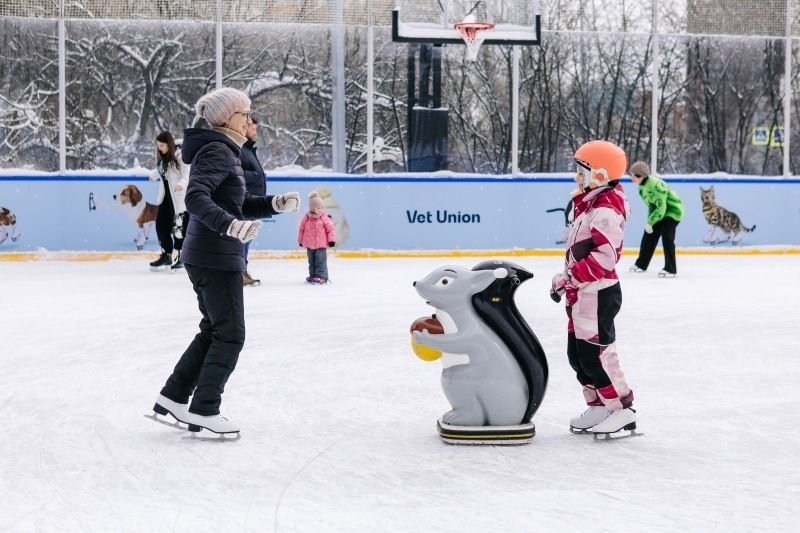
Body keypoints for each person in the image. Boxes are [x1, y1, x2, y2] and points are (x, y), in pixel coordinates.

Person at [150, 88, 300, 437]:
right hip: (214, 256)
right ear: (227, 118)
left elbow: (239, 201)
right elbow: (195, 197)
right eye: (245, 113)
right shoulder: (218, 149)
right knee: (231, 334)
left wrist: (274, 203)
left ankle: (174, 396)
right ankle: (204, 408)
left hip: (209, 254)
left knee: (214, 330)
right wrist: (230, 226)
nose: (250, 120)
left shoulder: (227, 151)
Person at [550, 140, 637, 438]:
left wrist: (571, 278)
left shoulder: (605, 209)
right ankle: (599, 404)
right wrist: (566, 278)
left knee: (597, 356)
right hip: (583, 293)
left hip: (599, 293)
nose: (576, 177)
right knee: (577, 356)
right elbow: (581, 252)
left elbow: (605, 256)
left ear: (599, 175)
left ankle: (621, 410)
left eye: (581, 172)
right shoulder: (590, 204)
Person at [627, 161, 685, 278]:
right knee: (649, 235)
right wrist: (650, 222)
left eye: (635, 175)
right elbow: (651, 206)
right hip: (661, 212)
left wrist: (650, 222)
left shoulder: (654, 185)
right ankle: (641, 264)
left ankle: (670, 268)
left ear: (641, 176)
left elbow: (661, 207)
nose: (632, 178)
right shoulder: (641, 188)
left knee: (667, 235)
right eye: (631, 175)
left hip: (673, 211)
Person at [148, 131, 190, 271]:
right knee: (161, 225)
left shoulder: (180, 157)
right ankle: (166, 254)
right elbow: (161, 171)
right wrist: (153, 175)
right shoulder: (164, 159)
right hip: (165, 198)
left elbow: (187, 173)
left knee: (179, 228)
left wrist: (182, 184)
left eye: (162, 145)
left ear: (169, 144)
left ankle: (182, 256)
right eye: (158, 145)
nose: (160, 148)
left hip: (178, 198)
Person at [239, 116, 269, 287]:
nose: (255, 132)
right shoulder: (240, 149)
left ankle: (242, 269)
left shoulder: (249, 149)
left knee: (247, 238)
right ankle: (239, 271)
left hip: (253, 201)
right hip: (246, 202)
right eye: (253, 129)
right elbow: (236, 173)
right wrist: (256, 176)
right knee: (243, 238)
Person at [298, 191, 336, 284]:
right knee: (311, 262)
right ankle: (313, 276)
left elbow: (330, 229)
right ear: (312, 208)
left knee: (320, 261)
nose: (320, 210)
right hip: (309, 245)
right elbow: (302, 229)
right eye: (317, 208)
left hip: (321, 244)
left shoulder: (324, 217)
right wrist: (300, 240)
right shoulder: (307, 217)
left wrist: (331, 240)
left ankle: (321, 276)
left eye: (321, 208)